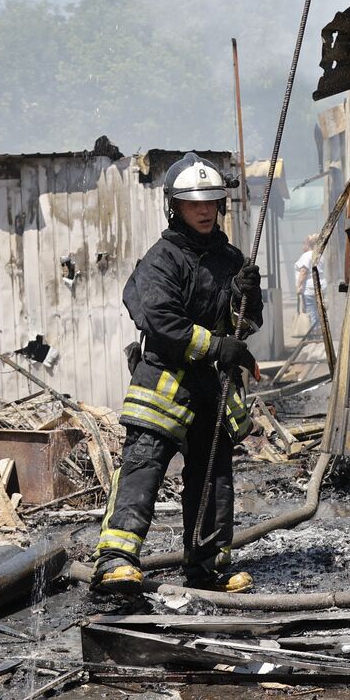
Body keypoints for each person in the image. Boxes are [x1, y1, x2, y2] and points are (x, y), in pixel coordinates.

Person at [91, 153, 262, 595]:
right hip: (164, 382)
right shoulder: (162, 260)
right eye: (193, 203)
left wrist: (247, 300)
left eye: (210, 201)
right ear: (175, 206)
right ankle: (115, 561)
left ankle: (207, 567)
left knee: (213, 477)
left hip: (211, 389)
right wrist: (217, 345)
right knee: (143, 468)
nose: (205, 210)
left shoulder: (231, 259)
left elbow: (243, 327)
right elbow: (160, 321)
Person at [294, 234, 321, 338]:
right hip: (320, 286)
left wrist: (298, 286)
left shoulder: (307, 255)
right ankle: (319, 332)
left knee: (311, 311)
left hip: (309, 288)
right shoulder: (319, 254)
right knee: (318, 311)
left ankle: (315, 334)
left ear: (308, 244)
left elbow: (304, 272)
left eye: (303, 243)